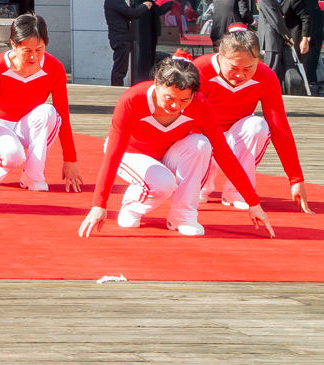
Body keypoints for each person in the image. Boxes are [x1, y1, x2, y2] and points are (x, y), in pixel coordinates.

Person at [80, 54, 275, 239]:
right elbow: (114, 153)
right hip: (131, 153)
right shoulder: (132, 100)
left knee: (200, 144)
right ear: (157, 84)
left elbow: (223, 153)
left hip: (168, 152)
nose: (175, 106)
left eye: (184, 100)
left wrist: (253, 202)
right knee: (162, 182)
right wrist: (99, 204)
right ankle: (132, 205)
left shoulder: (200, 105)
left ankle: (183, 216)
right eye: (169, 98)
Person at [194, 32, 311, 214]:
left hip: (234, 137)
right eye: (233, 67)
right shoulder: (200, 70)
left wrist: (295, 179)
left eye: (249, 67)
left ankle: (237, 190)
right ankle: (200, 185)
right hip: (202, 135)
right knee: (196, 140)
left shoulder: (266, 77)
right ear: (221, 55)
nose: (240, 74)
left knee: (258, 126)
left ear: (258, 59)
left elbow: (279, 126)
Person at [0, 14, 83, 193]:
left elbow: (63, 115)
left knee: (49, 112)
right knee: (13, 156)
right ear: (13, 44)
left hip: (25, 124)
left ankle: (33, 176)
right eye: (27, 50)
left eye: (39, 49)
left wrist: (70, 159)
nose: (33, 57)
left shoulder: (54, 68)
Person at [103, 0, 151, 87]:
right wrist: (145, 6)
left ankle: (116, 87)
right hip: (120, 37)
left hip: (122, 37)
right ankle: (115, 89)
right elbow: (132, 13)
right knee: (120, 68)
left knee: (121, 67)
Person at [256, 0, 295, 83]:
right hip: (271, 41)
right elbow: (276, 20)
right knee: (272, 72)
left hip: (274, 40)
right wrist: (288, 36)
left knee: (276, 72)